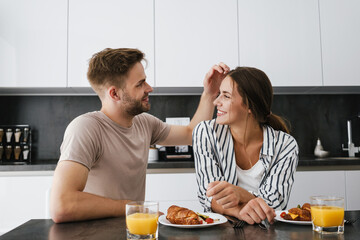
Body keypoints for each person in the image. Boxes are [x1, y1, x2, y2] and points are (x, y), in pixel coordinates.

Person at [50, 48, 230, 223]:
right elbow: (62, 205)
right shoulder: (86, 128)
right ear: (114, 93)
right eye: (140, 83)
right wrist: (134, 208)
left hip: (134, 230)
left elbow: (191, 134)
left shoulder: (144, 123)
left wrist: (209, 93)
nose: (149, 88)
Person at [192, 66, 299, 225]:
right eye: (219, 94)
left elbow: (275, 204)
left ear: (250, 105)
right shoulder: (206, 132)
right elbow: (209, 196)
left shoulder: (285, 145)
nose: (216, 102)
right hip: (221, 230)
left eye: (226, 96)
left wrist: (241, 194)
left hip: (267, 232)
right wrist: (240, 211)